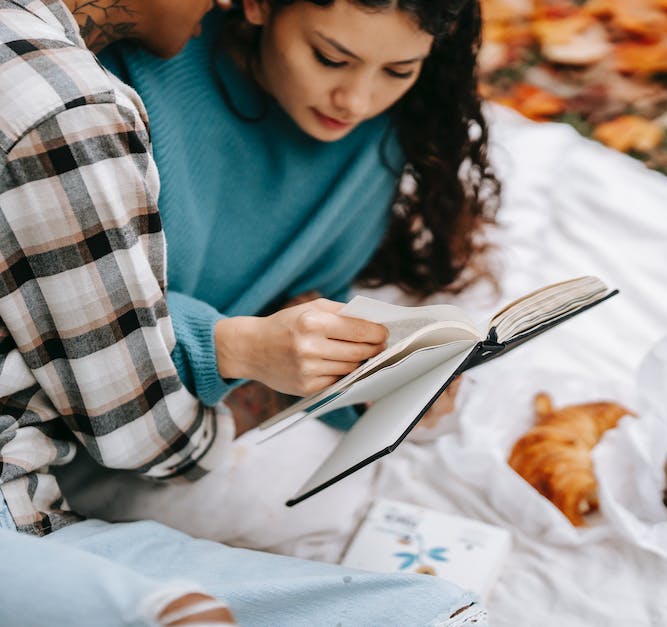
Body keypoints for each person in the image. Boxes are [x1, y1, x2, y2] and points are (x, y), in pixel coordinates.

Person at [0, 0, 486, 623]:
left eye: (399, 70)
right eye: (330, 57)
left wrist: (368, 369)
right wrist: (229, 346)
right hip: (91, 412)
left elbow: (308, 295)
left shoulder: (374, 141)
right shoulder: (128, 73)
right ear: (258, 7)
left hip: (168, 407)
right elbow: (84, 314)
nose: (356, 99)